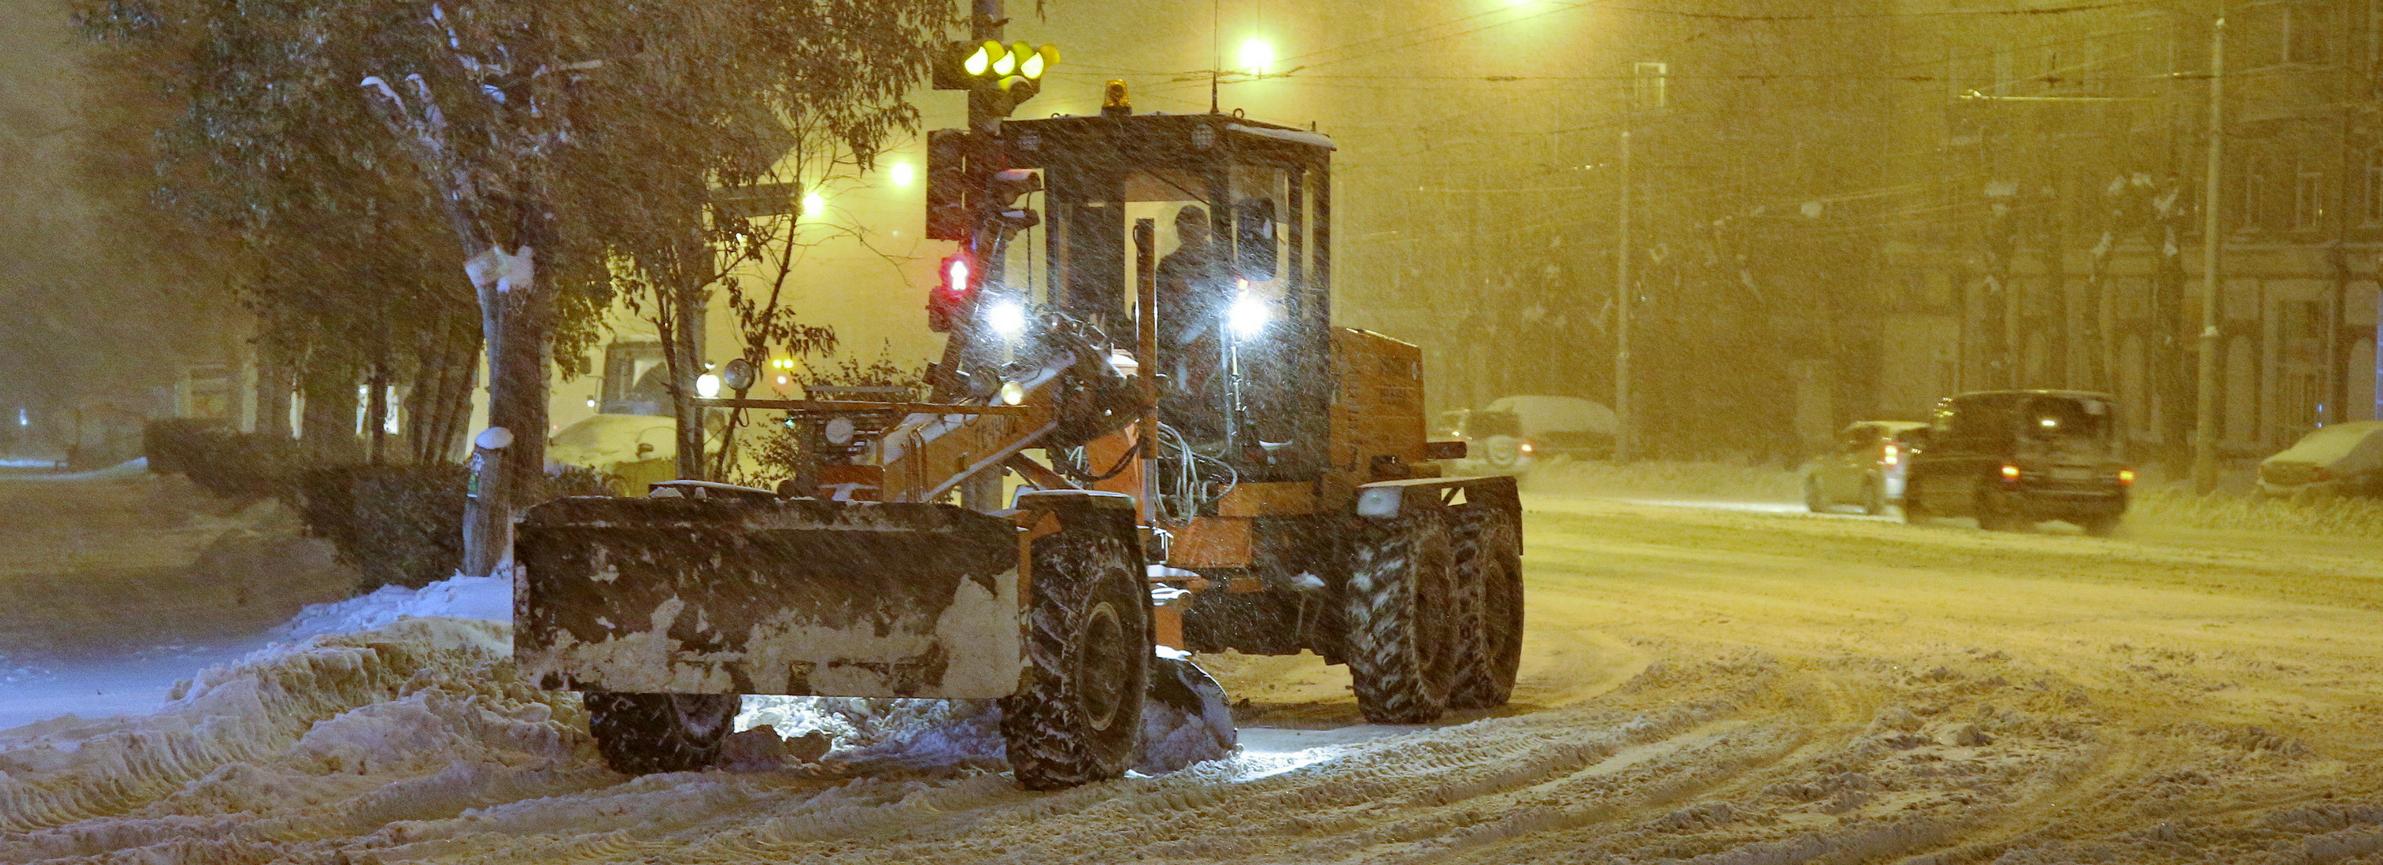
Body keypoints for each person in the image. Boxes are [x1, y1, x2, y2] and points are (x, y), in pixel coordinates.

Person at [1153, 204, 1227, 439]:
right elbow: (1156, 300)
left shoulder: (1222, 263)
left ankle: (1212, 424)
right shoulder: (1168, 265)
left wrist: (1192, 287)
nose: (1187, 230)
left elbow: (1227, 294)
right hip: (1173, 335)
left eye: (1194, 224)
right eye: (1183, 226)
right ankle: (1178, 423)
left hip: (1217, 330)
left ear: (1206, 229)